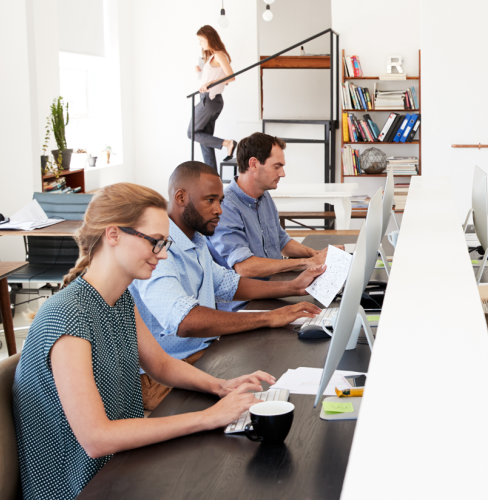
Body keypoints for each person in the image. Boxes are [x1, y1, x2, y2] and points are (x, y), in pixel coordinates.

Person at [13, 183, 274, 500]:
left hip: (122, 469)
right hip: (82, 487)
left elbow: (160, 365)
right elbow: (97, 438)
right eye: (155, 243)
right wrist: (210, 417)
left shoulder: (119, 298)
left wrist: (220, 386)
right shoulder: (68, 317)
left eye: (164, 243)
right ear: (113, 235)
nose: (162, 254)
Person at [129, 162, 323, 411]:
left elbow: (228, 284)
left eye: (220, 200)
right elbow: (185, 322)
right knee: (262, 396)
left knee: (277, 376)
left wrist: (293, 287)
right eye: (210, 200)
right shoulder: (159, 249)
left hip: (202, 354)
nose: (219, 210)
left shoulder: (196, 239)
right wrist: (269, 317)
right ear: (180, 197)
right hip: (164, 375)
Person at [208, 132, 339, 311]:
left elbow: (281, 240)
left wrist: (314, 255)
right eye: (277, 166)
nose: (282, 173)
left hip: (273, 289)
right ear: (253, 164)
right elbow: (245, 268)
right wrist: (306, 262)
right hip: (246, 306)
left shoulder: (264, 196)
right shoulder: (226, 207)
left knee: (329, 304)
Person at [187, 25, 237, 171]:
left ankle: (227, 143)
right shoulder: (213, 56)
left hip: (209, 100)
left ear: (209, 38)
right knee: (205, 140)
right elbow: (223, 79)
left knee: (192, 133)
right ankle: (212, 176)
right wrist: (201, 73)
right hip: (213, 100)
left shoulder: (219, 55)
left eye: (202, 40)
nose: (200, 44)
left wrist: (210, 82)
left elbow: (231, 77)